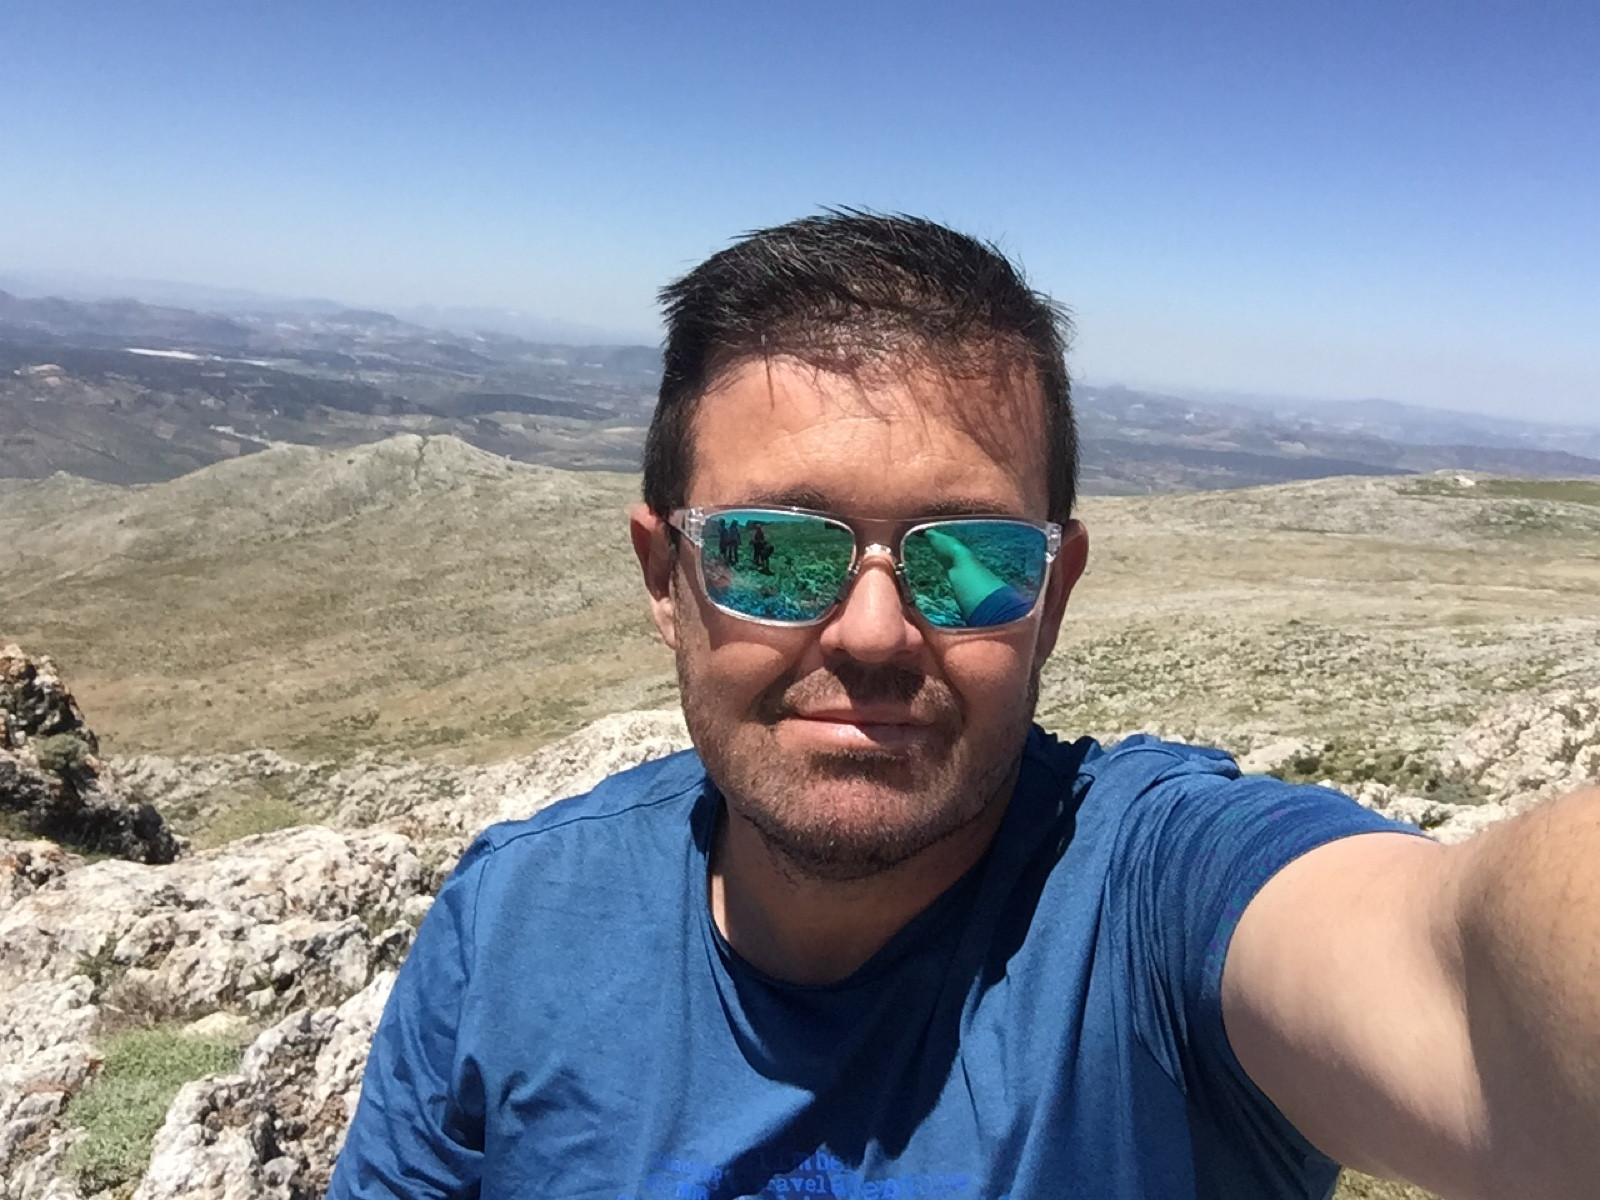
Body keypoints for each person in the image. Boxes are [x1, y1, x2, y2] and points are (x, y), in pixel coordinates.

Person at [330, 213, 1600, 1200]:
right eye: (775, 551)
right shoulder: (511, 928)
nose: (875, 631)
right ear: (668, 578)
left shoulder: (1153, 909)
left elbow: (1464, 989)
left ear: (1052, 597)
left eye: (972, 560)